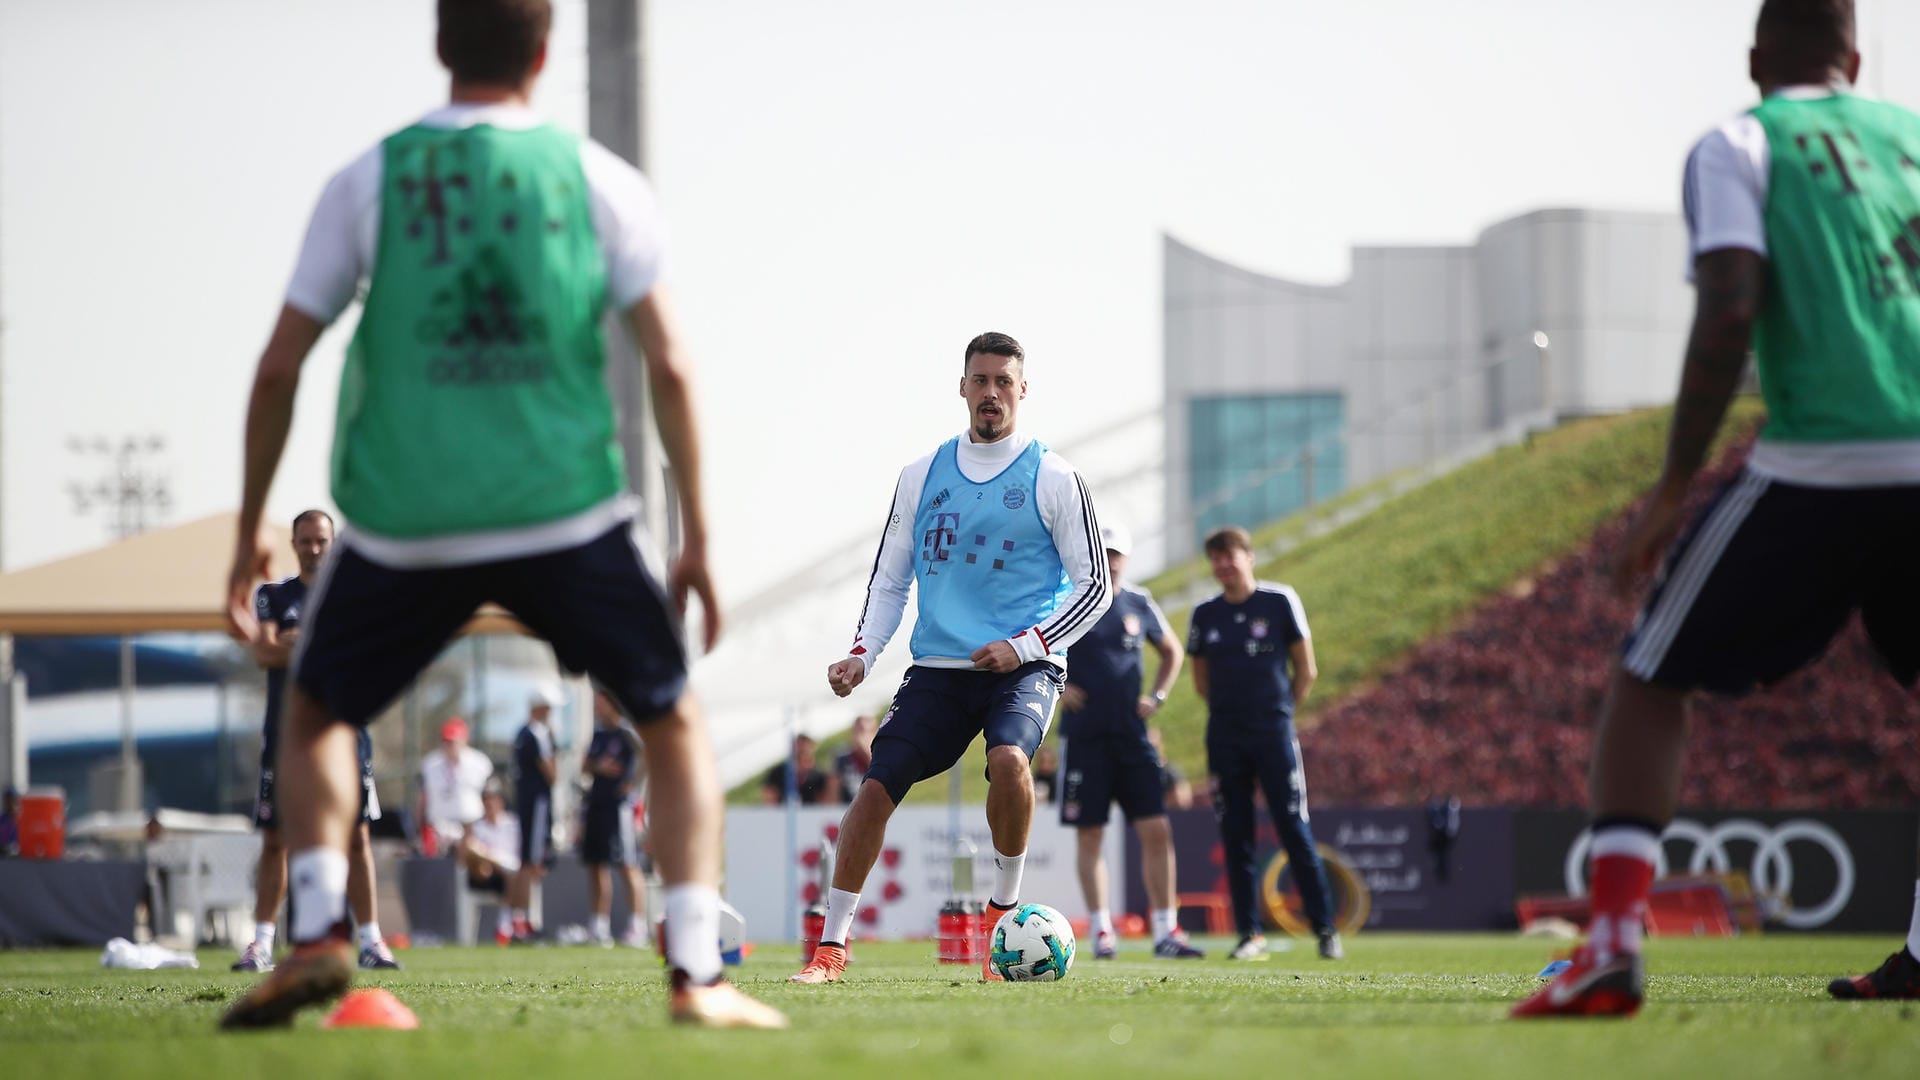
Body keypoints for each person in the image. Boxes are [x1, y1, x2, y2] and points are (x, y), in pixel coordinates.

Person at [219, 0, 782, 1029]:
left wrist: (247, 528)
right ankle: (696, 975)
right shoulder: (600, 181)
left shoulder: (368, 178)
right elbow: (671, 365)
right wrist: (697, 534)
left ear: (441, 46)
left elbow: (276, 370)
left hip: (403, 520)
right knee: (672, 717)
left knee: (314, 714)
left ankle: (312, 935)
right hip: (562, 512)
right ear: (543, 50)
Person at [1518, 0, 1920, 1017]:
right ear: (1857, 58)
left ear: (1754, 57)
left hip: (1825, 460)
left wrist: (1672, 488)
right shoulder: (1910, 136)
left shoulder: (1739, 143)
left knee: (1651, 678)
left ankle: (1611, 948)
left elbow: (1734, 300)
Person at [790, 331, 1111, 985]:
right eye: (980, 380)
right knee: (874, 790)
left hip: (1024, 665)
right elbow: (889, 580)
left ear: (1023, 390)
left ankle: (1003, 909)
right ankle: (831, 948)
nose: (990, 393)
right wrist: (860, 654)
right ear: (962, 387)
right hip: (938, 668)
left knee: (1008, 760)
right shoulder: (921, 475)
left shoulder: (1054, 476)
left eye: (1003, 382)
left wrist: (1027, 645)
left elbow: (1096, 586)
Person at [232, 509, 399, 974]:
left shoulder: (352, 597)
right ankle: (261, 944)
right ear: (294, 543)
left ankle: (371, 942)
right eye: (306, 541)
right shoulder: (273, 595)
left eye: (322, 541)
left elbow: (366, 656)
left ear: (334, 543)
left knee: (357, 838)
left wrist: (298, 641)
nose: (314, 549)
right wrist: (321, 643)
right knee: (275, 840)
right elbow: (264, 650)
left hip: (345, 736)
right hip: (285, 738)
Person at [1187, 525, 1341, 961]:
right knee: (1235, 835)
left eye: (1229, 555)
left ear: (1248, 557)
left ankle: (1326, 929)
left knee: (1293, 826)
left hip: (1273, 733)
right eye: (1215, 558)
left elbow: (1305, 670)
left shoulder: (1279, 601)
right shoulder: (1205, 614)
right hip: (1224, 737)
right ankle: (1248, 935)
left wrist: (1280, 713)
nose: (1222, 565)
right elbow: (1201, 680)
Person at [1058, 523, 1200, 959]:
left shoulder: (1140, 601)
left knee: (1156, 829)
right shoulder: (1067, 599)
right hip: (1084, 737)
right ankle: (1101, 930)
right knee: (1090, 834)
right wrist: (1060, 684)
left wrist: (1156, 696)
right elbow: (1035, 645)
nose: (1110, 559)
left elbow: (1172, 651)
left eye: (1117, 552)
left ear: (1127, 558)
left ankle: (1165, 930)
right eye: (1103, 551)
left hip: (1132, 737)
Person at [582, 689, 648, 947]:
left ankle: (637, 925)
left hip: (619, 808)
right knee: (597, 865)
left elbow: (648, 756)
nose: (598, 705)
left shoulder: (626, 732)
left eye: (602, 701)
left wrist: (632, 784)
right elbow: (585, 764)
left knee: (627, 863)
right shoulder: (598, 733)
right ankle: (598, 925)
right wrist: (598, 767)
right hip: (598, 804)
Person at [507, 685, 561, 941]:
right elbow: (552, 775)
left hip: (525, 802)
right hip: (537, 804)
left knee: (526, 862)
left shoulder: (521, 732)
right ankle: (522, 922)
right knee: (531, 862)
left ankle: (519, 919)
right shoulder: (538, 734)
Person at [416, 717, 493, 856]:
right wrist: (419, 826)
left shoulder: (480, 763)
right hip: (438, 827)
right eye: (445, 741)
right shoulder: (430, 764)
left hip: (471, 827)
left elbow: (490, 798)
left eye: (452, 741)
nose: (448, 746)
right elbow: (423, 797)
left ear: (463, 740)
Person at [461, 785, 522, 946]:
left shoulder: (514, 824)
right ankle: (507, 925)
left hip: (509, 875)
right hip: (483, 874)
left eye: (492, 800)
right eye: (486, 800)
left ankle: (505, 925)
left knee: (511, 872)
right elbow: (465, 856)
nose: (489, 804)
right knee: (474, 851)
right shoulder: (476, 826)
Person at [760, 734, 830, 805]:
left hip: (810, 814)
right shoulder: (777, 773)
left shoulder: (818, 776)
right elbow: (769, 800)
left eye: (805, 748)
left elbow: (823, 804)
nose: (801, 751)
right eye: (799, 748)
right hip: (783, 813)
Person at [832, 715, 877, 805]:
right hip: (847, 807)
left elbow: (877, 770)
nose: (860, 737)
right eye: (858, 731)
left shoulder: (880, 756)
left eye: (864, 732)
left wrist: (865, 750)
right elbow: (833, 789)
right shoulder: (843, 758)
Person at [0, 785, 18, 857]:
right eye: (7, 799)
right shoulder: (1, 820)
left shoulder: (22, 820)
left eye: (11, 799)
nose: (9, 802)